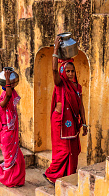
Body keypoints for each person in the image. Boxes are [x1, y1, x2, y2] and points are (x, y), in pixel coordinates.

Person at [43, 35, 88, 184]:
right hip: (60, 122)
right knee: (63, 151)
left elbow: (80, 105)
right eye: (67, 71)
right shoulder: (60, 83)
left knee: (72, 151)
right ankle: (52, 175)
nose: (70, 74)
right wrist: (56, 49)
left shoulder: (77, 88)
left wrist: (85, 123)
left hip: (73, 123)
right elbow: (54, 70)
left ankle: (68, 176)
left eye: (72, 71)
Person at [0, 68, 26, 187]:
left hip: (11, 133)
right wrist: (8, 79)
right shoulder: (3, 99)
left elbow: (11, 92)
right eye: (9, 84)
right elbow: (8, 94)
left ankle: (17, 181)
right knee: (10, 161)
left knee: (19, 160)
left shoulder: (11, 94)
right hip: (6, 135)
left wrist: (9, 81)